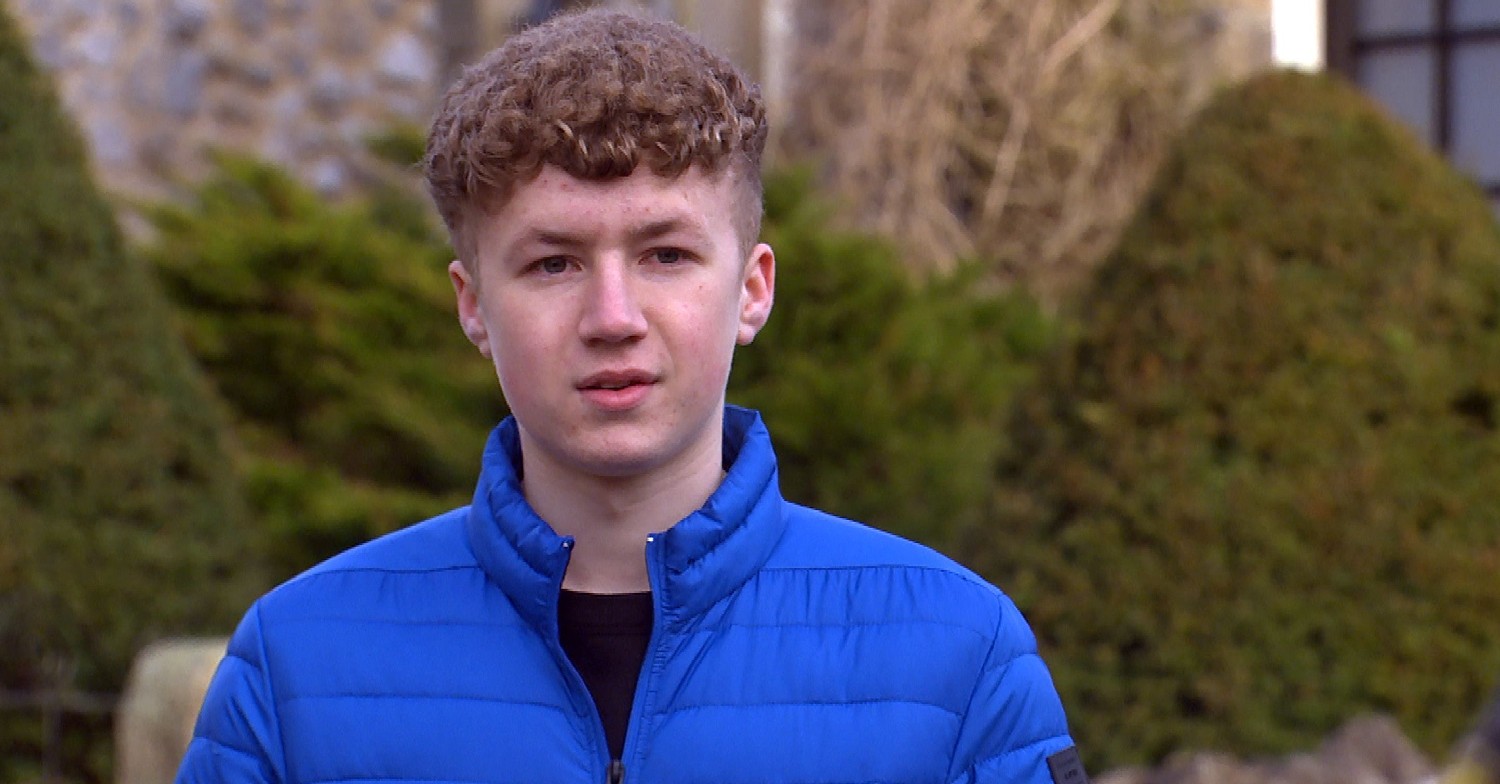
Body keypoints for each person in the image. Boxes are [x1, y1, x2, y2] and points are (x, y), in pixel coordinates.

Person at [177, 9, 1080, 784]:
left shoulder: (958, 657)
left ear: (753, 289)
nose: (613, 317)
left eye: (666, 256)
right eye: (553, 263)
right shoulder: (296, 668)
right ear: (473, 305)